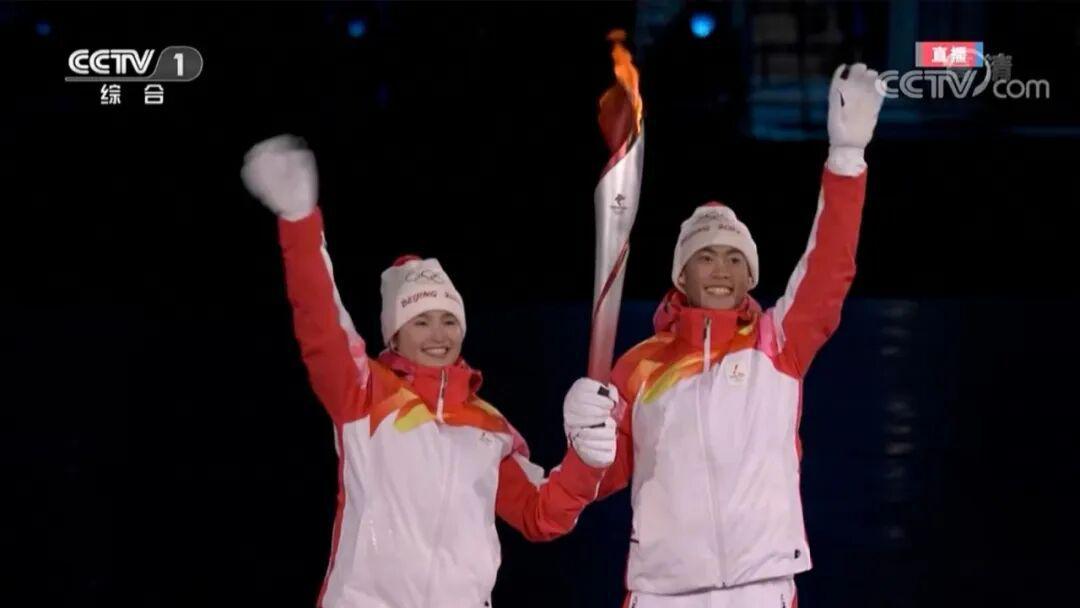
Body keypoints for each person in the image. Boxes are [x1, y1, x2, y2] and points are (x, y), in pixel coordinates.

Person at [241, 134, 620, 608]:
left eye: (448, 320)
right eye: (420, 322)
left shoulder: (490, 427)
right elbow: (321, 321)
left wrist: (586, 462)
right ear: (394, 336)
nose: (438, 334)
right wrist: (300, 224)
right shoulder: (365, 394)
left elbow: (541, 515)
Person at [562, 63, 886, 607]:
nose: (720, 269)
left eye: (735, 259)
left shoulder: (777, 343)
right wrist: (583, 441)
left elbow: (830, 267)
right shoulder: (639, 367)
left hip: (760, 587)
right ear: (681, 276)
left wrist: (847, 158)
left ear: (750, 276)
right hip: (665, 592)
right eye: (705, 257)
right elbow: (602, 478)